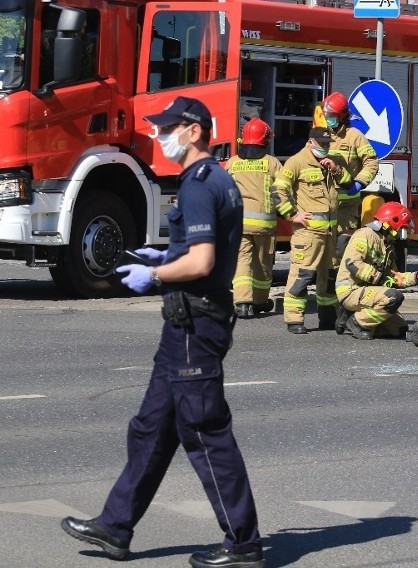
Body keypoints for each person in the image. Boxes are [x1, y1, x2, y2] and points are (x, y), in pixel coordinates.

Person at [60, 96, 265, 568]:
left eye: (169, 126)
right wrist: (161, 258)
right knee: (152, 427)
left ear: (194, 131)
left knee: (205, 432)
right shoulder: (217, 179)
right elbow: (194, 252)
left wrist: (153, 275)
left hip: (196, 321)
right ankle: (115, 527)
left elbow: (203, 261)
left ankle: (243, 543)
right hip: (187, 323)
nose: (160, 134)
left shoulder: (199, 184)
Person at [276, 126, 352, 333]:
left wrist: (336, 169)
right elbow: (278, 189)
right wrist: (292, 214)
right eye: (322, 144)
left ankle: (327, 317)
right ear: (311, 142)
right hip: (308, 233)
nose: (326, 147)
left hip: (329, 234)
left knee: (328, 276)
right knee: (303, 274)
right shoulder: (297, 161)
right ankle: (294, 320)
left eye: (328, 144)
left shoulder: (331, 162)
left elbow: (348, 183)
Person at [335, 202, 418, 340]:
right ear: (391, 222)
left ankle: (351, 315)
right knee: (393, 297)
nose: (399, 233)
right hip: (351, 290)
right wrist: (379, 277)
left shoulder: (388, 245)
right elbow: (353, 263)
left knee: (399, 330)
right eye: (400, 228)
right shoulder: (365, 234)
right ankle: (356, 322)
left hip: (369, 292)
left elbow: (395, 277)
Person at [227, 118, 283, 318]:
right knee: (262, 263)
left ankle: (242, 303)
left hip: (238, 223)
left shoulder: (233, 163)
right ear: (264, 141)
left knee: (242, 262)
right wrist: (287, 211)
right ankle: (259, 302)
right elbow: (281, 191)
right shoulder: (272, 163)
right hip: (264, 225)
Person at [319, 92, 379, 255]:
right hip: (323, 203)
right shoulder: (321, 135)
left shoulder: (355, 137)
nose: (328, 118)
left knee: (342, 246)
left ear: (342, 116)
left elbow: (371, 162)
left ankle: (340, 279)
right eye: (326, 115)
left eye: (331, 116)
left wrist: (359, 183)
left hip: (346, 205)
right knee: (322, 245)